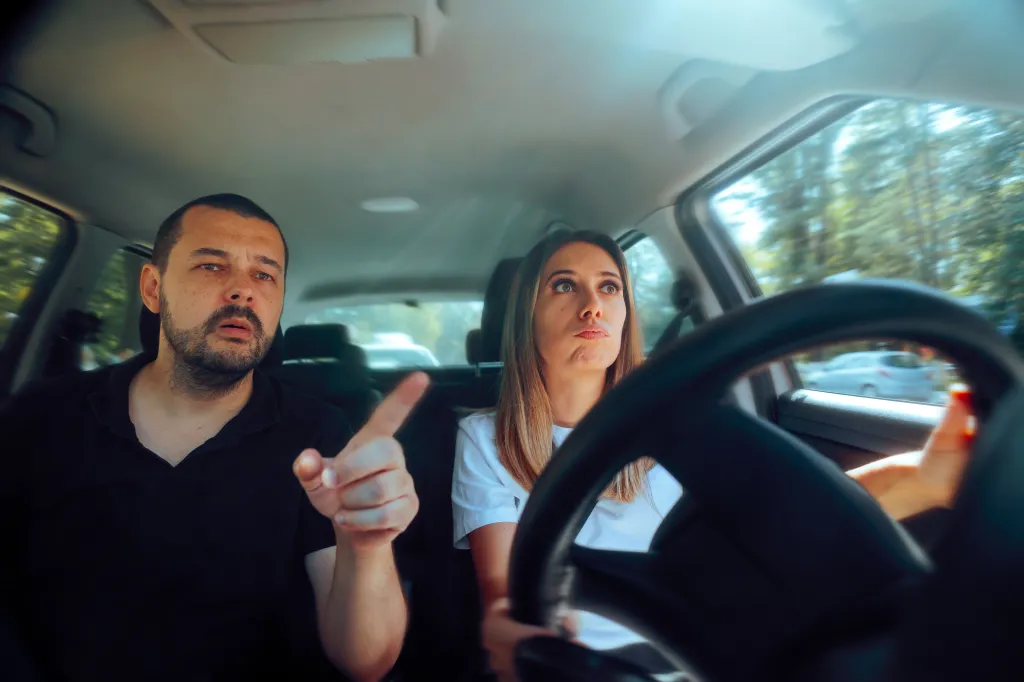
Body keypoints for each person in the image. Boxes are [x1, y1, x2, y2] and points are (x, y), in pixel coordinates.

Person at [451, 230, 975, 682]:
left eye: (609, 287)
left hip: (712, 651)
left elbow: (784, 523)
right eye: (563, 285)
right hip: (584, 666)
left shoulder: (681, 419)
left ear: (625, 312)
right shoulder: (484, 437)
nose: (592, 305)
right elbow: (503, 594)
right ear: (527, 315)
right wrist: (530, 641)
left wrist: (921, 478)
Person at [0, 194, 424, 682]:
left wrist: (366, 548)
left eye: (264, 275)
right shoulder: (44, 416)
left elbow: (365, 663)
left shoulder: (318, 435)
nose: (243, 292)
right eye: (211, 266)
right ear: (154, 288)